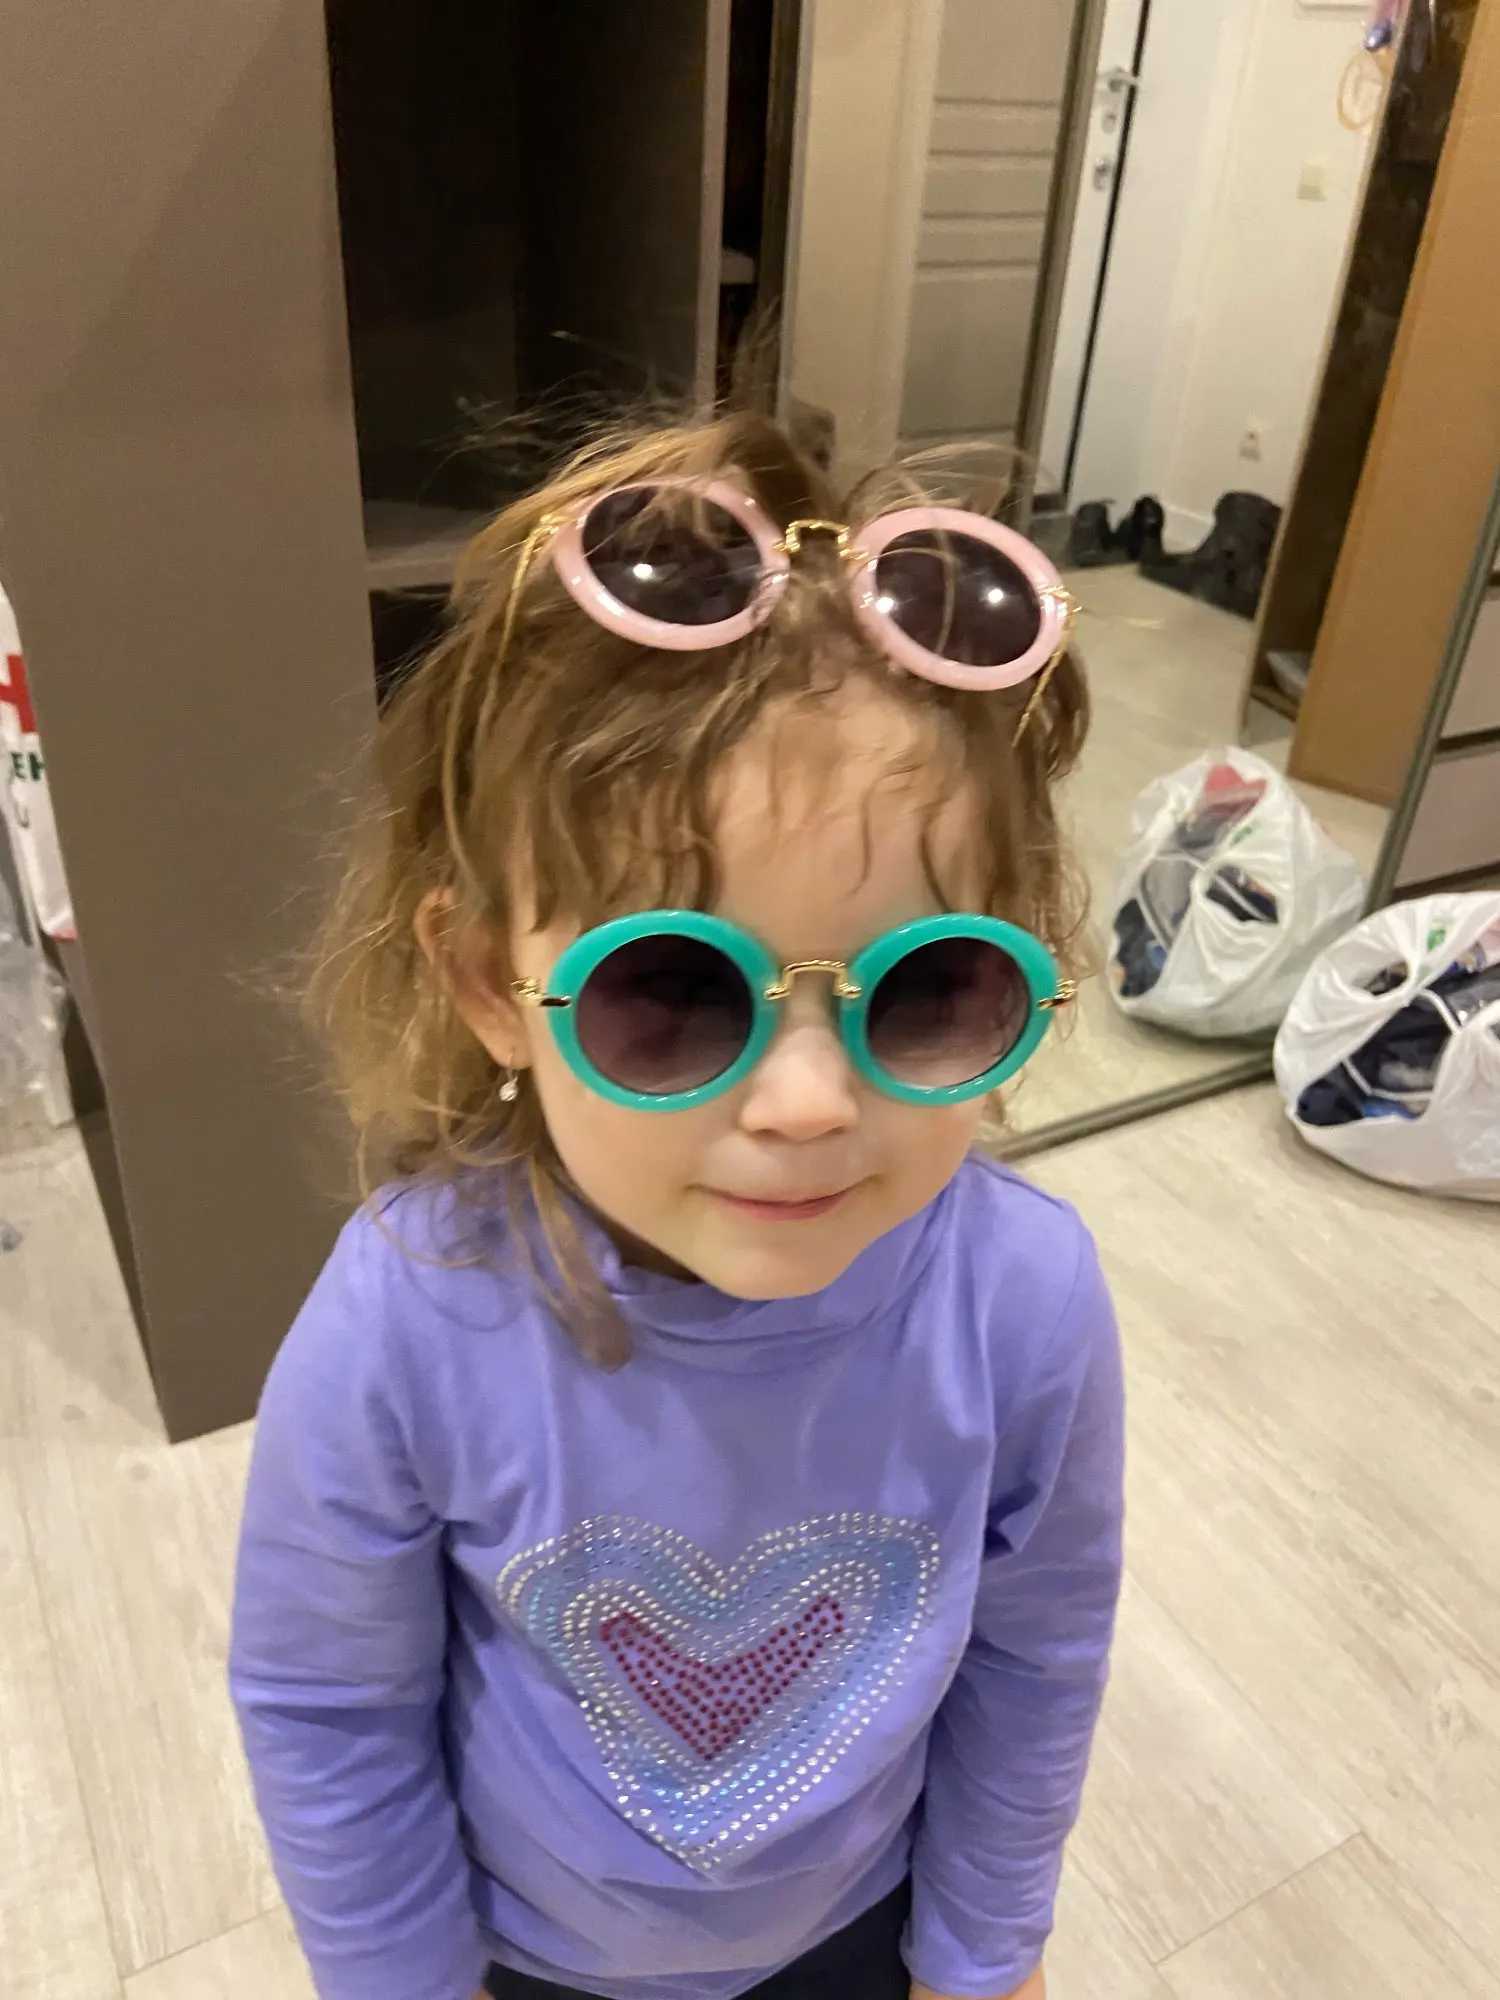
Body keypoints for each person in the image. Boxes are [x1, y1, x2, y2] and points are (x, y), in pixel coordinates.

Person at [229, 413, 1125, 2000]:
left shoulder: (1026, 1298)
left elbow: (1035, 1653)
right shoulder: (410, 1318)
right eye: (671, 993)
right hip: (531, 1966)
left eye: (930, 989)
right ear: (485, 985)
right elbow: (331, 1708)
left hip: (862, 1937)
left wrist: (985, 1952)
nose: (807, 1102)